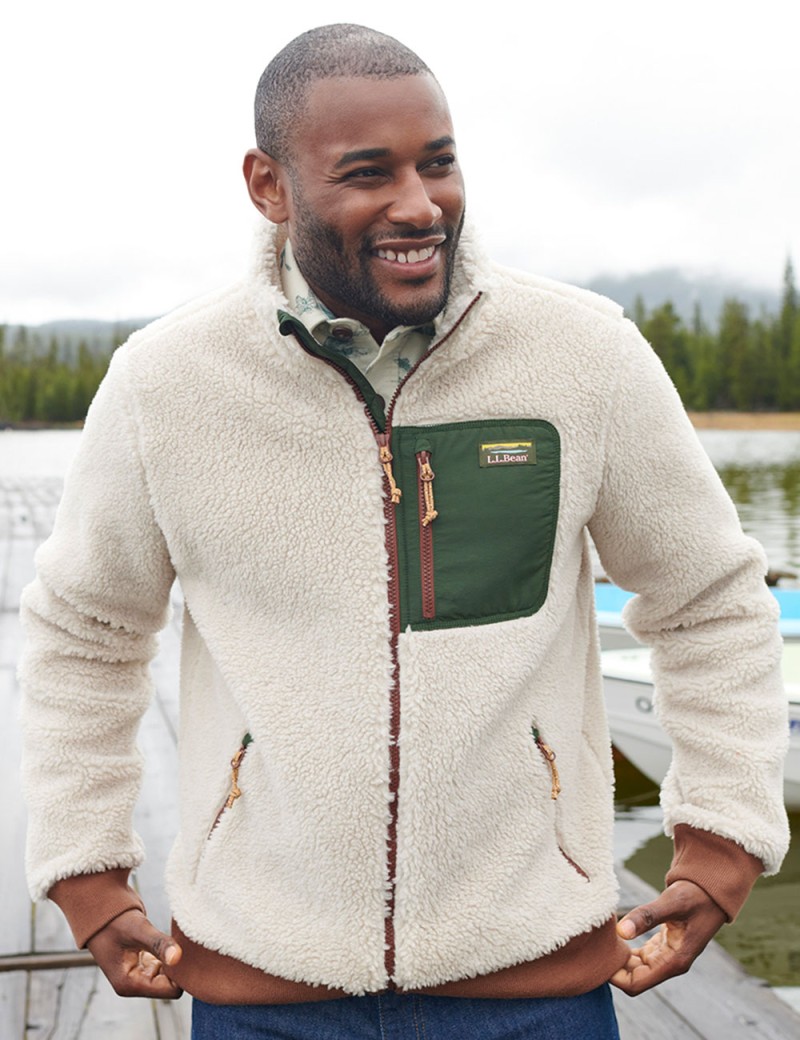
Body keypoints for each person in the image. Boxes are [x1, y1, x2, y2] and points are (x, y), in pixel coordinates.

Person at [20, 23, 789, 1040]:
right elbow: (86, 635)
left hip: (538, 982)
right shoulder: (165, 385)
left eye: (438, 162)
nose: (420, 204)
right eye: (367, 172)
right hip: (260, 990)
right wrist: (85, 867)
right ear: (269, 185)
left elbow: (707, 604)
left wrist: (720, 838)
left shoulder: (584, 357)